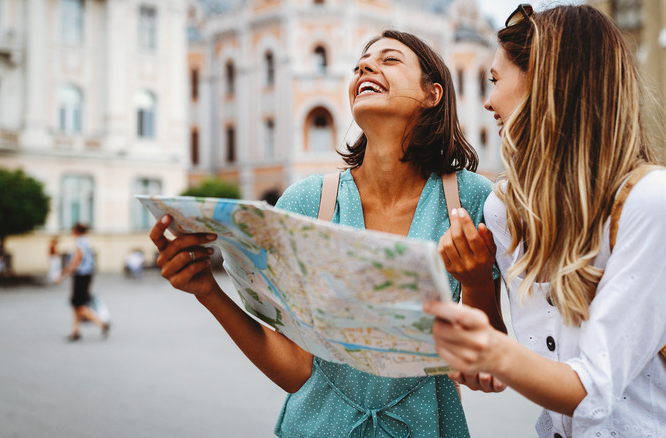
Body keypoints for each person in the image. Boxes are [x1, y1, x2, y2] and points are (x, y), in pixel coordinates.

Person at [149, 30, 495, 437]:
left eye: (389, 60)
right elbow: (296, 369)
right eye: (361, 63)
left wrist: (475, 283)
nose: (365, 66)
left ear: (432, 94)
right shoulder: (306, 201)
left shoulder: (470, 199)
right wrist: (208, 290)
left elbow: (487, 358)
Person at [424, 4, 666, 437]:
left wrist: (492, 352)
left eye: (495, 80)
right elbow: (514, 369)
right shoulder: (507, 209)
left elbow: (594, 387)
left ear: (548, 82)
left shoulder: (656, 202)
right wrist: (474, 292)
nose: (488, 101)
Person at [57, 223, 109, 342]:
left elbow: (76, 261)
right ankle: (75, 331)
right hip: (86, 275)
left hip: (81, 276)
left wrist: (64, 274)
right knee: (76, 304)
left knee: (78, 304)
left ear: (76, 231)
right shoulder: (87, 241)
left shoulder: (80, 242)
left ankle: (102, 323)